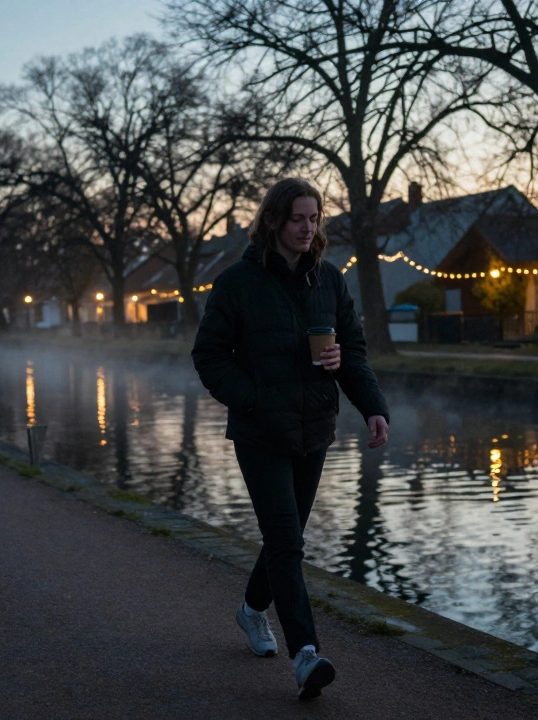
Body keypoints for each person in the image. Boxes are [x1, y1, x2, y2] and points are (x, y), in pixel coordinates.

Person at [192, 178, 390, 700]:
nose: (308, 228)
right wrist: (252, 398)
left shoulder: (329, 279)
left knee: (287, 538)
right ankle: (306, 654)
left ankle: (251, 611)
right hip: (260, 432)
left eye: (315, 218)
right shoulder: (238, 282)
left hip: (314, 429)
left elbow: (353, 349)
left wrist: (371, 406)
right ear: (275, 221)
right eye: (299, 218)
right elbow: (208, 356)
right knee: (287, 542)